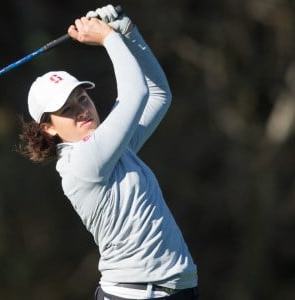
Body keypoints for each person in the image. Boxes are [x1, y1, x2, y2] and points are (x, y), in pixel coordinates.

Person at [17, 5, 199, 300]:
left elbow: (158, 94)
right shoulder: (82, 163)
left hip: (175, 291)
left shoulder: (113, 146)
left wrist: (127, 31)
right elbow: (135, 93)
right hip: (137, 296)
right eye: (67, 110)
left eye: (83, 98)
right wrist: (108, 39)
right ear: (48, 128)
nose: (82, 111)